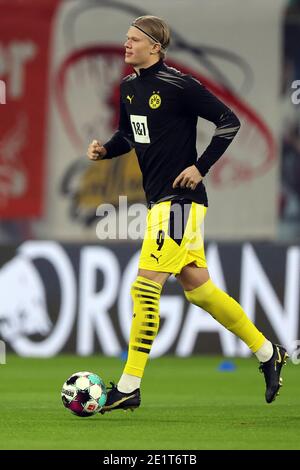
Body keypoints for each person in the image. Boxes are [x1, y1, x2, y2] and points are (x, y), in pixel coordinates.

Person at [87, 15, 288, 412]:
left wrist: (201, 167)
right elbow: (131, 133)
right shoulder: (128, 87)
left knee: (145, 286)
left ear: (155, 47)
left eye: (133, 40)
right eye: (125, 39)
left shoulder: (180, 85)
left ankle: (129, 386)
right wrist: (106, 150)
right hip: (160, 203)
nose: (125, 45)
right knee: (200, 290)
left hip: (180, 203)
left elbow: (229, 122)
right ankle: (268, 353)